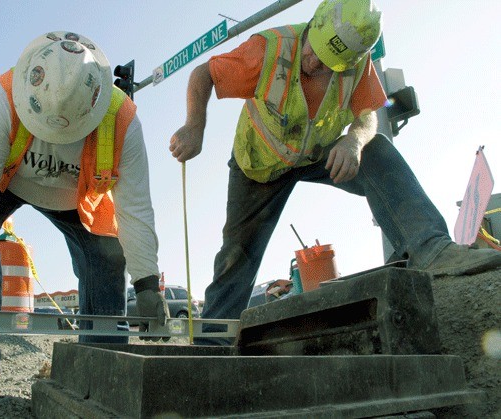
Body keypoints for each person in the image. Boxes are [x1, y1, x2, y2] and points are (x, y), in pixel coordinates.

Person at [169, 0, 501, 345]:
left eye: (327, 64)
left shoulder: (357, 65)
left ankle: (432, 249)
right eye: (313, 51)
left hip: (316, 153)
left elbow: (369, 114)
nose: (312, 63)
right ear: (314, 24)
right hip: (260, 164)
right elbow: (204, 73)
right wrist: (195, 125)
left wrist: (354, 142)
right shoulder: (268, 49)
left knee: (378, 151)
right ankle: (212, 342)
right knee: (236, 255)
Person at [0, 31, 169, 399]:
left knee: (107, 258)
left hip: (77, 198)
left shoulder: (123, 121)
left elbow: (135, 212)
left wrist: (147, 285)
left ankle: (101, 364)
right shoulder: (2, 100)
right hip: (6, 183)